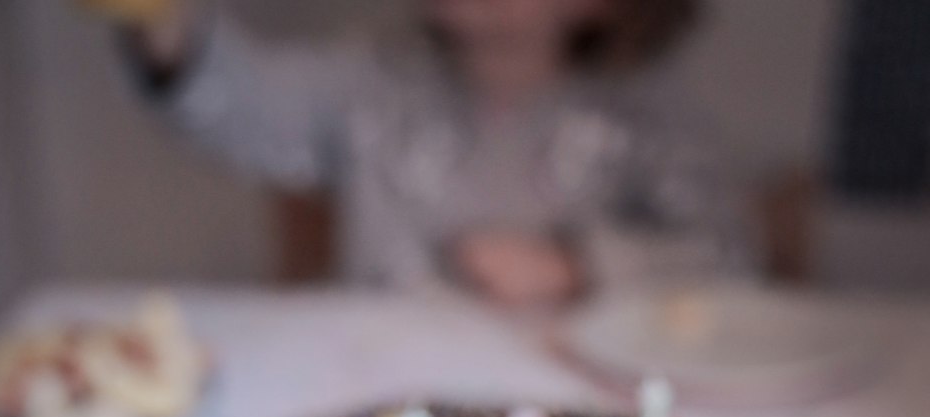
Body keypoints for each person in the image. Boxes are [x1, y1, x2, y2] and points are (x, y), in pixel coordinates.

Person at [86, 0, 740, 307]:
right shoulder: (373, 74)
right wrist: (159, 24)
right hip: (384, 397)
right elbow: (248, 105)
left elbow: (726, 256)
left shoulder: (648, 114)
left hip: (575, 414)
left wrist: (575, 268)